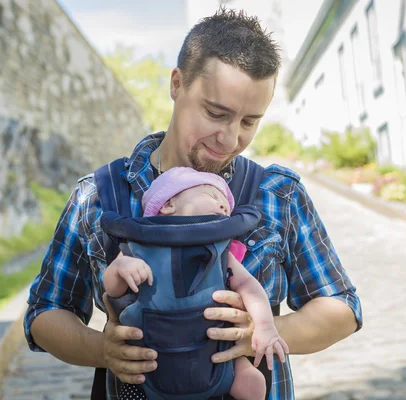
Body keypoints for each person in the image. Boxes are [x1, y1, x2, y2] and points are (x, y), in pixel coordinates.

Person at [25, 7, 363, 400]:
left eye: (249, 121)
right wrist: (102, 349)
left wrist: (264, 331)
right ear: (176, 84)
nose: (230, 138)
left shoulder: (277, 193)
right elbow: (43, 314)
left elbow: (342, 308)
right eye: (216, 113)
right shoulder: (97, 195)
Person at [103, 166, 290, 399]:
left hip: (213, 352)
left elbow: (249, 286)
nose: (224, 206)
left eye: (227, 206)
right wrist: (121, 268)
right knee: (132, 379)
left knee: (252, 379)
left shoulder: (220, 249)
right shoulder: (138, 246)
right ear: (168, 204)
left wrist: (264, 327)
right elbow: (112, 289)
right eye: (213, 196)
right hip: (151, 359)